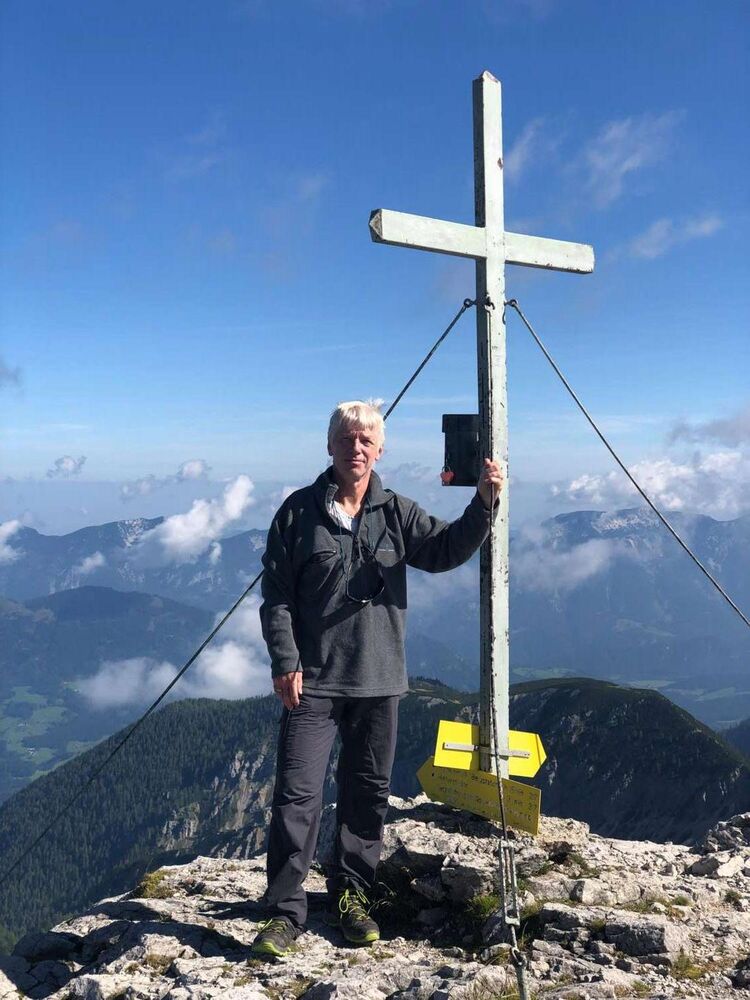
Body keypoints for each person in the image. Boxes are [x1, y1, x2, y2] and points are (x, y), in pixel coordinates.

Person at [251, 399, 503, 957]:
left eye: (366, 440)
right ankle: (284, 912)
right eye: (346, 438)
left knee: (366, 797)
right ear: (329, 446)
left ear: (380, 450)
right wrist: (285, 661)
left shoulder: (397, 512)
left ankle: (353, 898)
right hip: (313, 683)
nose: (356, 448)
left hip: (379, 681)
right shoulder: (297, 513)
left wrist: (483, 504)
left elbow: (444, 551)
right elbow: (277, 597)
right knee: (296, 799)